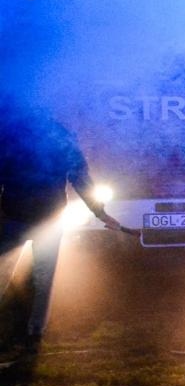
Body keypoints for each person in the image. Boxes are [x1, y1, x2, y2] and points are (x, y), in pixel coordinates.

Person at [0, 97, 128, 345]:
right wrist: (100, 213)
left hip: (15, 215)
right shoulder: (61, 137)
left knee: (6, 271)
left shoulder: (11, 136)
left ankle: (28, 330)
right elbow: (81, 178)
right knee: (43, 277)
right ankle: (34, 331)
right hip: (48, 218)